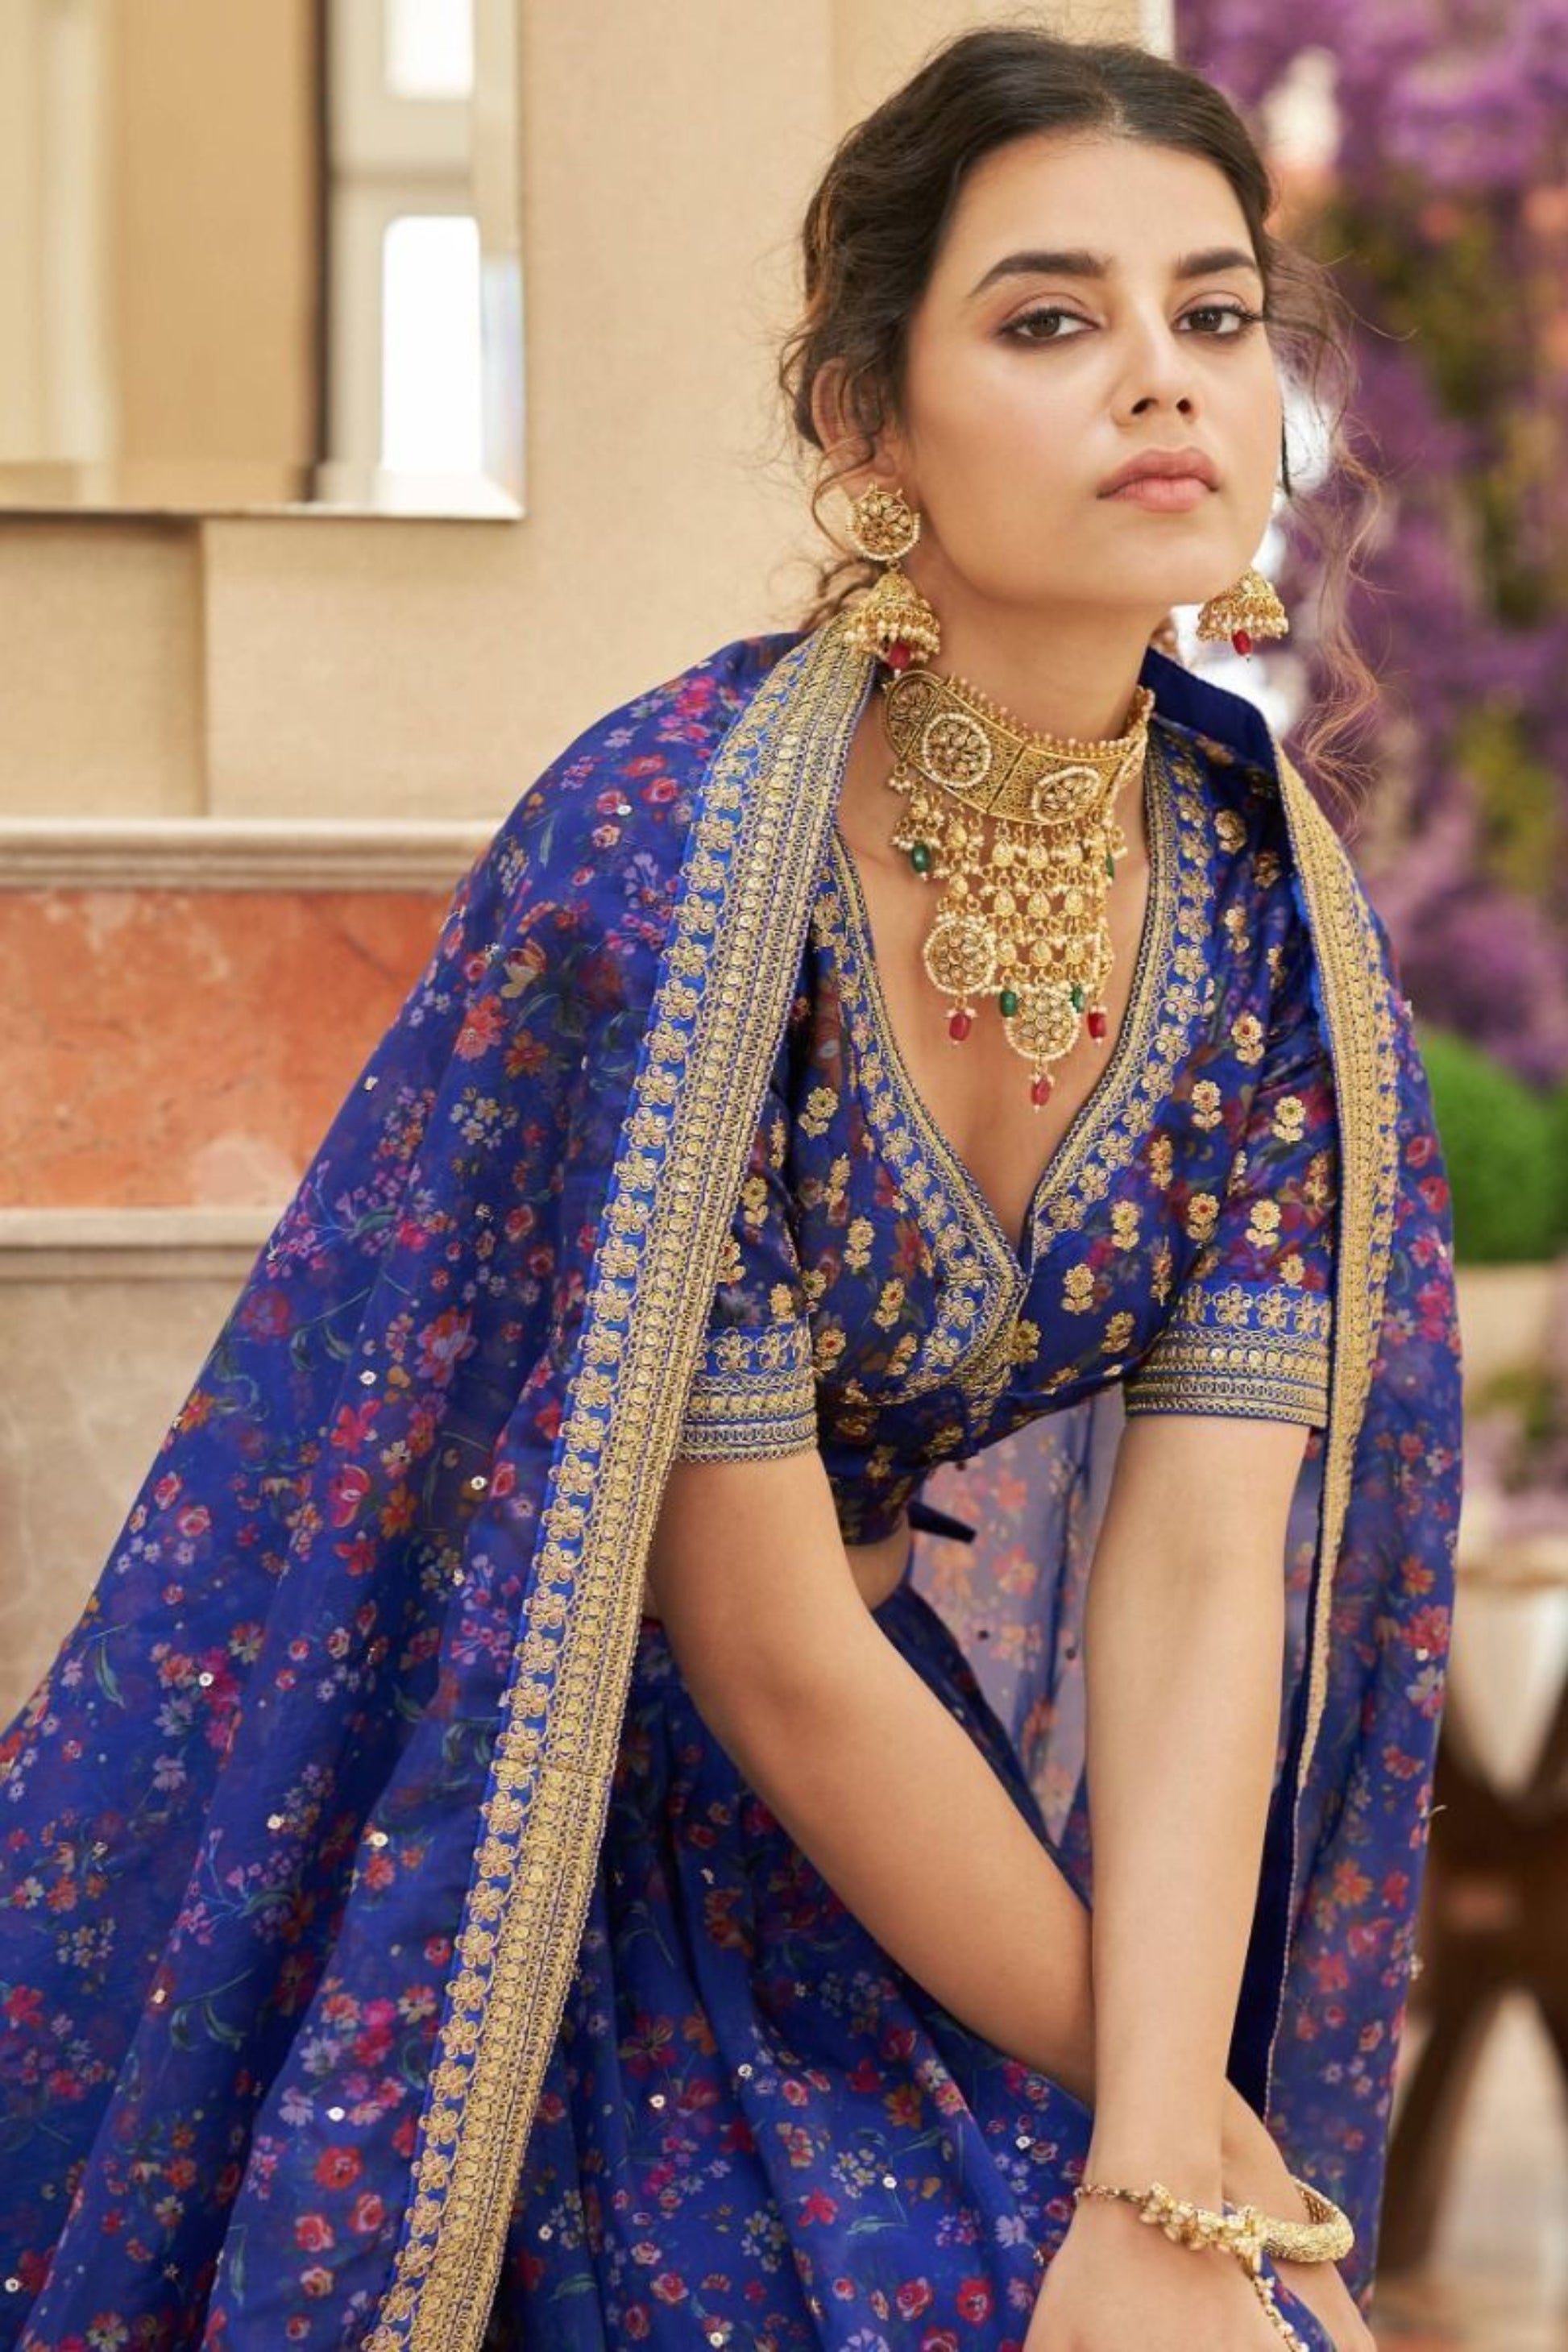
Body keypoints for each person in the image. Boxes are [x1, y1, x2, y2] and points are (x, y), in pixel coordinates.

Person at [0, 23, 1462, 2352]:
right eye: (1050, 319)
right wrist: (1174, 2144)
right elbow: (770, 1651)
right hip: (524, 1835)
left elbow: (1202, 1572)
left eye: (1213, 314)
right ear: (866, 422)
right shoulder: (676, 863)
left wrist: (1168, 2155)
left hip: (922, 1854)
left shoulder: (1268, 920)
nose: (1164, 380)